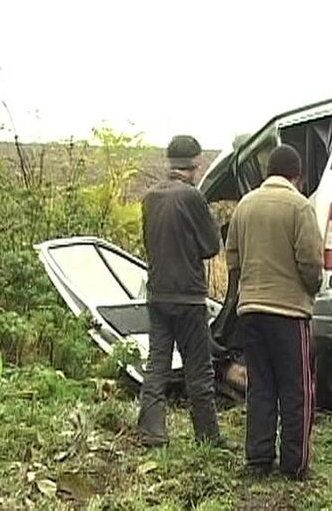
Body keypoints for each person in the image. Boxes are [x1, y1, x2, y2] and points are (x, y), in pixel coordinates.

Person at [225, 144, 323, 480]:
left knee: (260, 387)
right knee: (297, 389)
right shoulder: (300, 207)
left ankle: (257, 461)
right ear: (297, 175)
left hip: (250, 311)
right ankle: (294, 466)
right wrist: (313, 288)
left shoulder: (245, 205)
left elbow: (232, 257)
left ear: (268, 172)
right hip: (288, 313)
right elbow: (310, 261)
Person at [138, 134, 223, 447]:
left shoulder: (150, 197)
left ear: (169, 162)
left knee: (157, 365)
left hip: (158, 294)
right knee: (199, 370)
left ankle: (152, 433)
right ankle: (208, 437)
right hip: (188, 297)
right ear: (196, 163)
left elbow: (149, 243)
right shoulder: (191, 197)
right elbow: (212, 246)